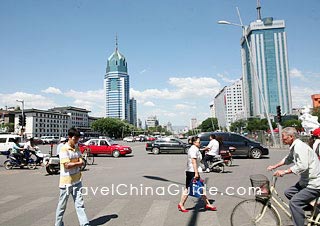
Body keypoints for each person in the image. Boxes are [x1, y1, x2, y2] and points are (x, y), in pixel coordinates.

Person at [267, 127, 320, 226]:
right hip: (305, 182)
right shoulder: (294, 146)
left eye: (283, 137)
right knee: (288, 193)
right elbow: (288, 158)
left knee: (294, 203)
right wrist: (275, 166)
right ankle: (315, 210)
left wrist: (284, 172)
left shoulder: (300, 147)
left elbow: (302, 166)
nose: (282, 139)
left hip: (314, 184)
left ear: (291, 137)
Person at [55, 128, 90, 226]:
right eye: (75, 139)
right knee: (62, 206)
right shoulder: (64, 149)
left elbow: (81, 161)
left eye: (78, 139)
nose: (76, 141)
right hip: (66, 182)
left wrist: (76, 162)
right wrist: (78, 163)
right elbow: (67, 165)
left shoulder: (77, 147)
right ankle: (58, 224)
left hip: (77, 180)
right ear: (69, 137)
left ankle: (85, 224)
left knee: (80, 204)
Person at [178, 136, 217, 212]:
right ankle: (181, 204)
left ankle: (207, 204)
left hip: (194, 171)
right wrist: (196, 173)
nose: (200, 143)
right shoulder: (193, 150)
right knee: (189, 189)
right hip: (191, 172)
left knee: (199, 188)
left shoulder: (196, 149)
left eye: (200, 142)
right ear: (194, 142)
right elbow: (194, 162)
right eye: (199, 142)